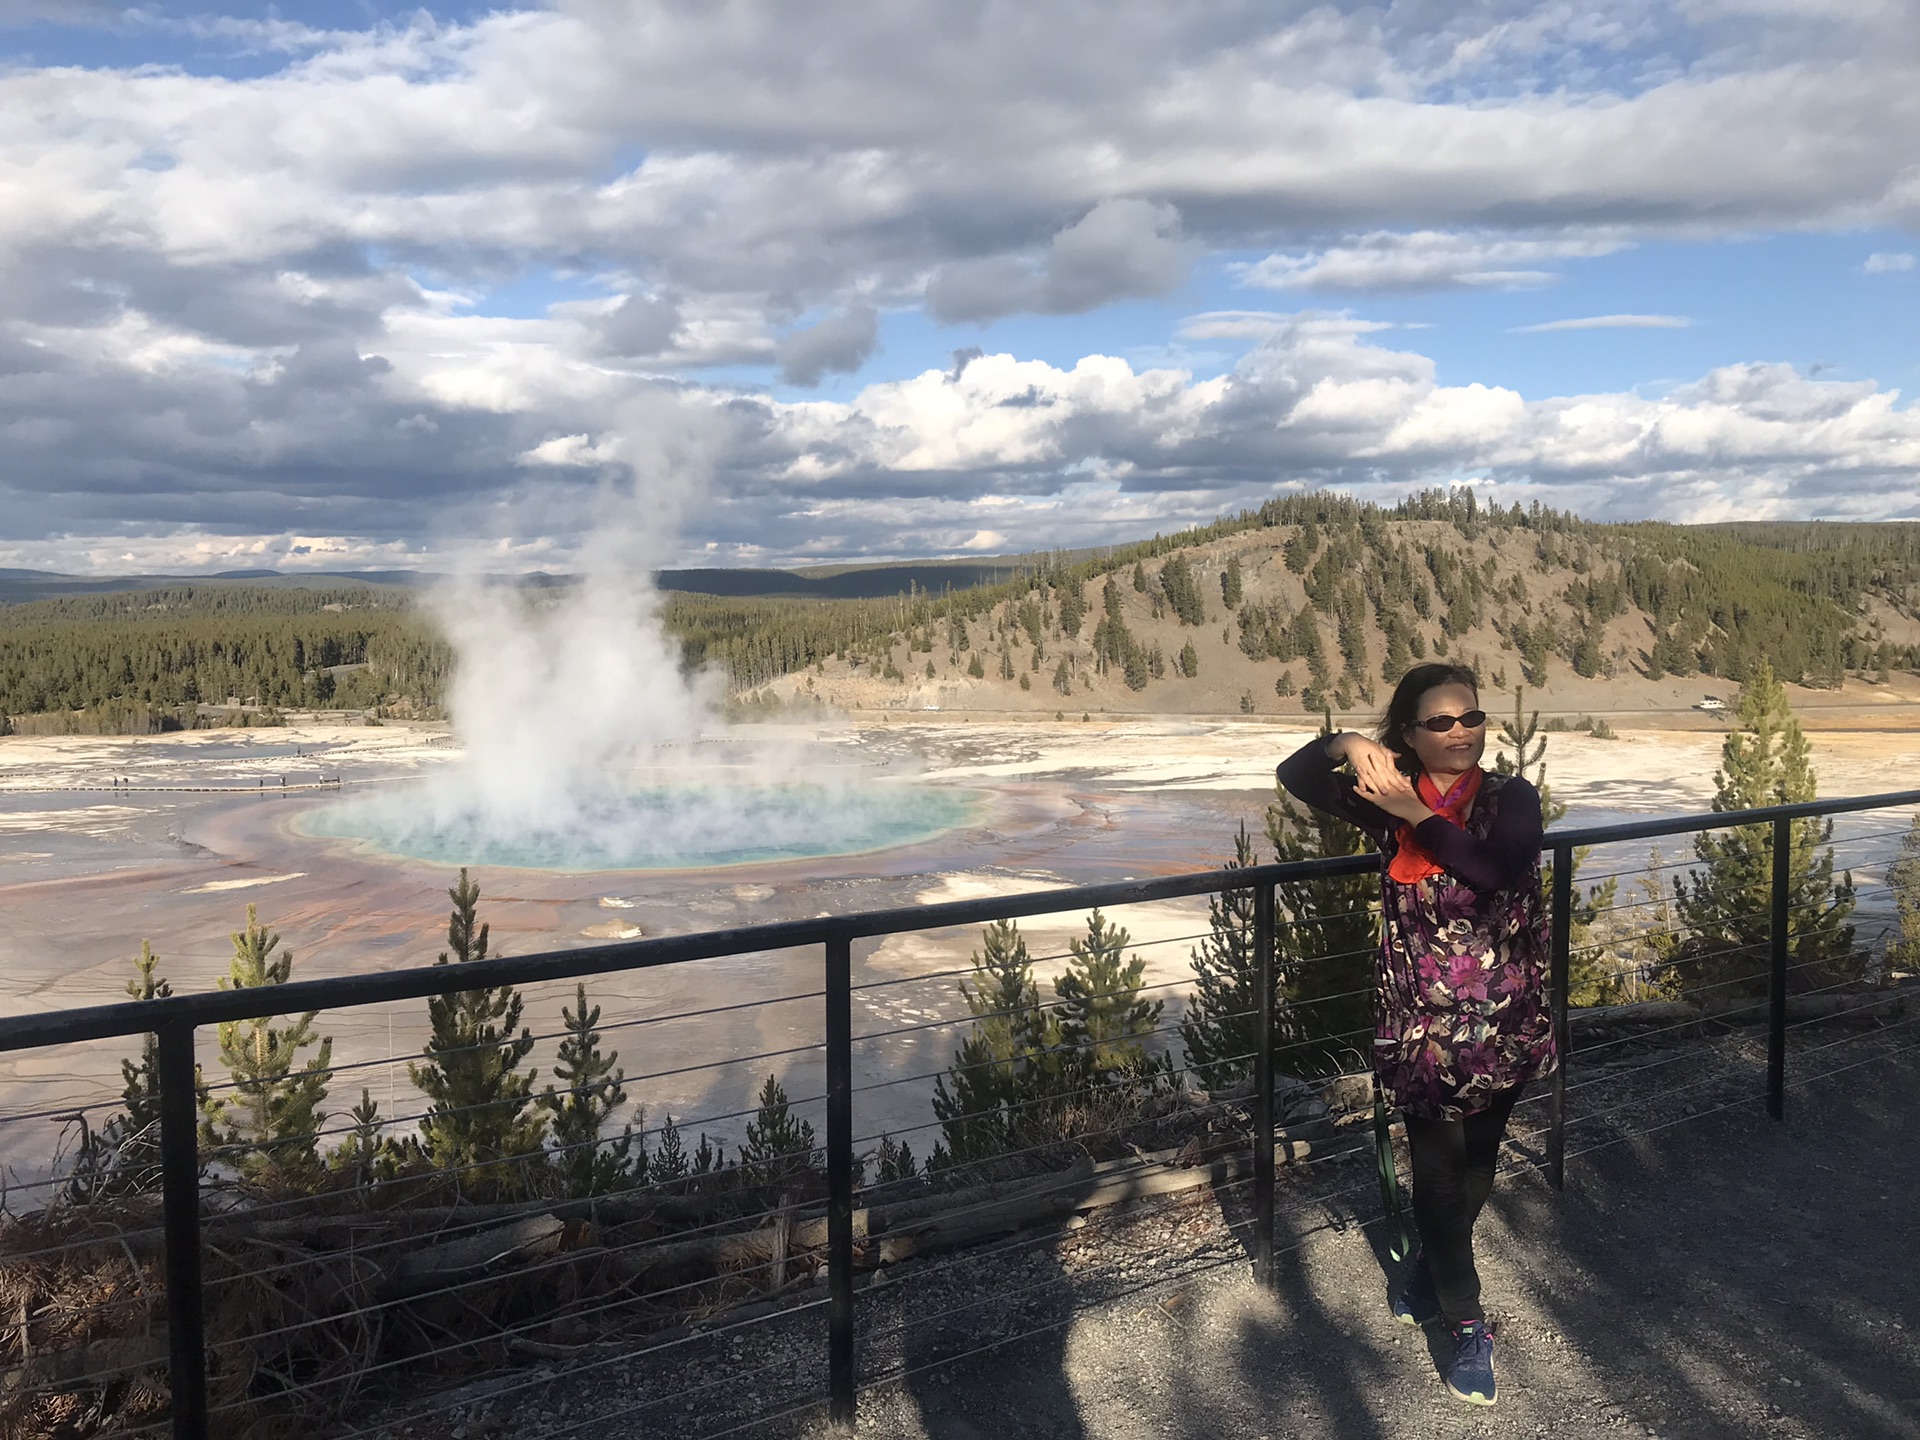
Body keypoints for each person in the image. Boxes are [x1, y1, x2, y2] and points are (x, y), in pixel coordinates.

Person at [1275, 662, 1555, 1408]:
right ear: (1409, 734)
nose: (1461, 731)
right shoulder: (1382, 801)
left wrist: (1411, 808)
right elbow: (1295, 774)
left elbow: (1496, 868)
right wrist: (1346, 742)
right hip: (1423, 1025)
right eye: (1440, 722)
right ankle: (1467, 1325)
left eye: (1470, 717)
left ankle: (1431, 1271)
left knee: (1480, 1166)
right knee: (1435, 1173)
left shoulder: (1509, 800)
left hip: (1506, 1016)